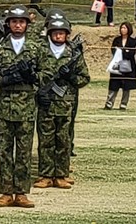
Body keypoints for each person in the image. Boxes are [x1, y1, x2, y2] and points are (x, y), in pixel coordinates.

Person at [0, 5, 44, 208]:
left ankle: (21, 192)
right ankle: (5, 192)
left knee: (23, 152)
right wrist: (2, 79)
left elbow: (45, 74)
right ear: (8, 24)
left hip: (26, 106)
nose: (18, 25)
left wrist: (33, 77)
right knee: (4, 152)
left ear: (27, 24)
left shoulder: (36, 48)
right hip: (3, 106)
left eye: (21, 22)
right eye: (14, 21)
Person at [35, 15, 90, 188]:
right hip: (46, 103)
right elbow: (32, 74)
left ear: (67, 34)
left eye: (61, 33)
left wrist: (71, 77)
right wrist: (40, 89)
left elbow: (84, 78)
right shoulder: (40, 51)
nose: (58, 36)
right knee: (46, 140)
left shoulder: (73, 54)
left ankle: (61, 174)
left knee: (63, 140)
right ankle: (45, 174)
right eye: (55, 33)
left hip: (66, 104)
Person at [105, 22, 136, 110]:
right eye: (121, 28)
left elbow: (131, 53)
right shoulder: (117, 40)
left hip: (128, 66)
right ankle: (109, 103)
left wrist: (122, 52)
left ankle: (123, 104)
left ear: (129, 29)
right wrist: (124, 51)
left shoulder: (132, 41)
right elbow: (113, 50)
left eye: (124, 28)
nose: (122, 30)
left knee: (126, 86)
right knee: (114, 84)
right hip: (117, 64)